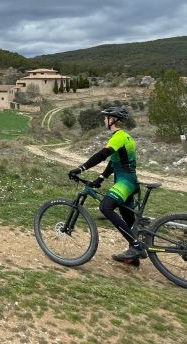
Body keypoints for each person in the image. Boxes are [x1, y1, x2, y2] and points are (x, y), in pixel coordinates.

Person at [69, 106, 145, 265]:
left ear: (113, 120)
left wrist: (81, 168)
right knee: (128, 219)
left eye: (106, 118)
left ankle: (137, 246)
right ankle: (133, 256)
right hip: (130, 182)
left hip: (125, 182)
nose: (104, 120)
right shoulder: (127, 137)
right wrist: (100, 179)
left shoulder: (118, 137)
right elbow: (114, 162)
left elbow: (103, 155)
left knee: (106, 207)